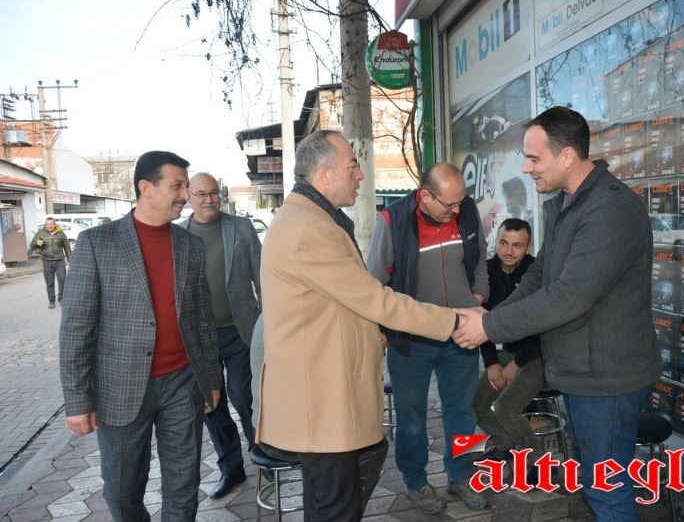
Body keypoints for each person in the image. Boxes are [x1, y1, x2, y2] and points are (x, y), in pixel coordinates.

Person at [453, 106, 659, 522]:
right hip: (584, 373)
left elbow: (569, 296)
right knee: (598, 485)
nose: (526, 168)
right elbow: (540, 276)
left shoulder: (608, 209)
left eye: (534, 158)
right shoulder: (569, 205)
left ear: (567, 156)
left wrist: (488, 326)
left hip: (608, 380)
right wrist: (490, 319)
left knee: (607, 491)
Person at [258, 130, 459, 522]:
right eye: (352, 165)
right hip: (321, 404)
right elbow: (373, 298)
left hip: (325, 398)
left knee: (331, 501)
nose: (361, 175)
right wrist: (452, 320)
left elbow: (335, 303)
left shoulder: (311, 218)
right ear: (325, 175)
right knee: (336, 507)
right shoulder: (310, 228)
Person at [59, 150, 222, 522]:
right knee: (122, 490)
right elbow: (76, 328)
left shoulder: (190, 245)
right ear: (146, 188)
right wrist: (77, 398)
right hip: (120, 387)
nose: (185, 195)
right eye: (177, 186)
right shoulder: (97, 243)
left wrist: (211, 380)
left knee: (184, 485)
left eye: (186, 186)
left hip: (183, 382)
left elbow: (202, 320)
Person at [366, 162, 490, 514]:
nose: (457, 211)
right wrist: (382, 327)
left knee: (463, 412)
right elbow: (374, 282)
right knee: (411, 419)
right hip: (411, 339)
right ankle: (416, 482)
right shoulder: (392, 221)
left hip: (462, 333)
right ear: (424, 196)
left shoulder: (466, 212)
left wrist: (479, 294)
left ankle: (461, 475)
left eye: (460, 203)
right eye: (449, 205)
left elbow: (481, 259)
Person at [178, 172, 262, 499]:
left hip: (240, 331)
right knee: (212, 406)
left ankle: (263, 455)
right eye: (201, 194)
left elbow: (262, 277)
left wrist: (269, 323)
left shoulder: (241, 228)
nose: (209, 199)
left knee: (245, 397)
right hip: (199, 339)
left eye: (213, 193)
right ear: (189, 196)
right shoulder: (177, 235)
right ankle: (232, 469)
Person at [473, 218, 543, 460]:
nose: (509, 251)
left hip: (539, 355)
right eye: (504, 243)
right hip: (506, 353)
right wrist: (492, 363)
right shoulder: (486, 272)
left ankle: (538, 463)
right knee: (476, 405)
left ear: (528, 246)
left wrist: (517, 364)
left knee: (505, 408)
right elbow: (482, 321)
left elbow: (545, 327)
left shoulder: (537, 273)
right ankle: (507, 448)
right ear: (496, 241)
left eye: (517, 245)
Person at [30, 217, 71, 309]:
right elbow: (32, 245)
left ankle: (62, 299)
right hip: (47, 261)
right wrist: (36, 243)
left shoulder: (61, 234)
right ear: (45, 225)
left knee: (62, 280)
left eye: (51, 224)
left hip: (59, 261)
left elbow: (67, 247)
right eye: (47, 224)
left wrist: (70, 260)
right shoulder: (40, 233)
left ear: (55, 225)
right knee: (49, 282)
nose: (49, 226)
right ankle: (51, 301)